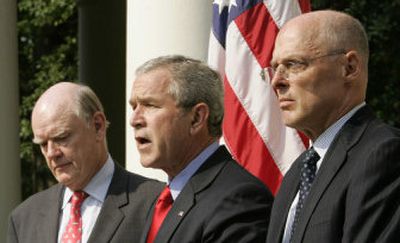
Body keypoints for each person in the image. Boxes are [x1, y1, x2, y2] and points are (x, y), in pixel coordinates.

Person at [266, 10, 400, 243]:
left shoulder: (384, 155)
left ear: (349, 67)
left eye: (293, 64)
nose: (276, 81)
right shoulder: (296, 173)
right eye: (274, 67)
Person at [129, 55, 273, 243]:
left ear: (196, 118)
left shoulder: (239, 198)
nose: (135, 120)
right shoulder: (162, 200)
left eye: (150, 105)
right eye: (134, 107)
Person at [7, 82, 164, 243]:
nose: (51, 153)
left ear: (98, 126)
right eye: (43, 144)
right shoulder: (23, 218)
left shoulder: (156, 203)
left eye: (61, 138)